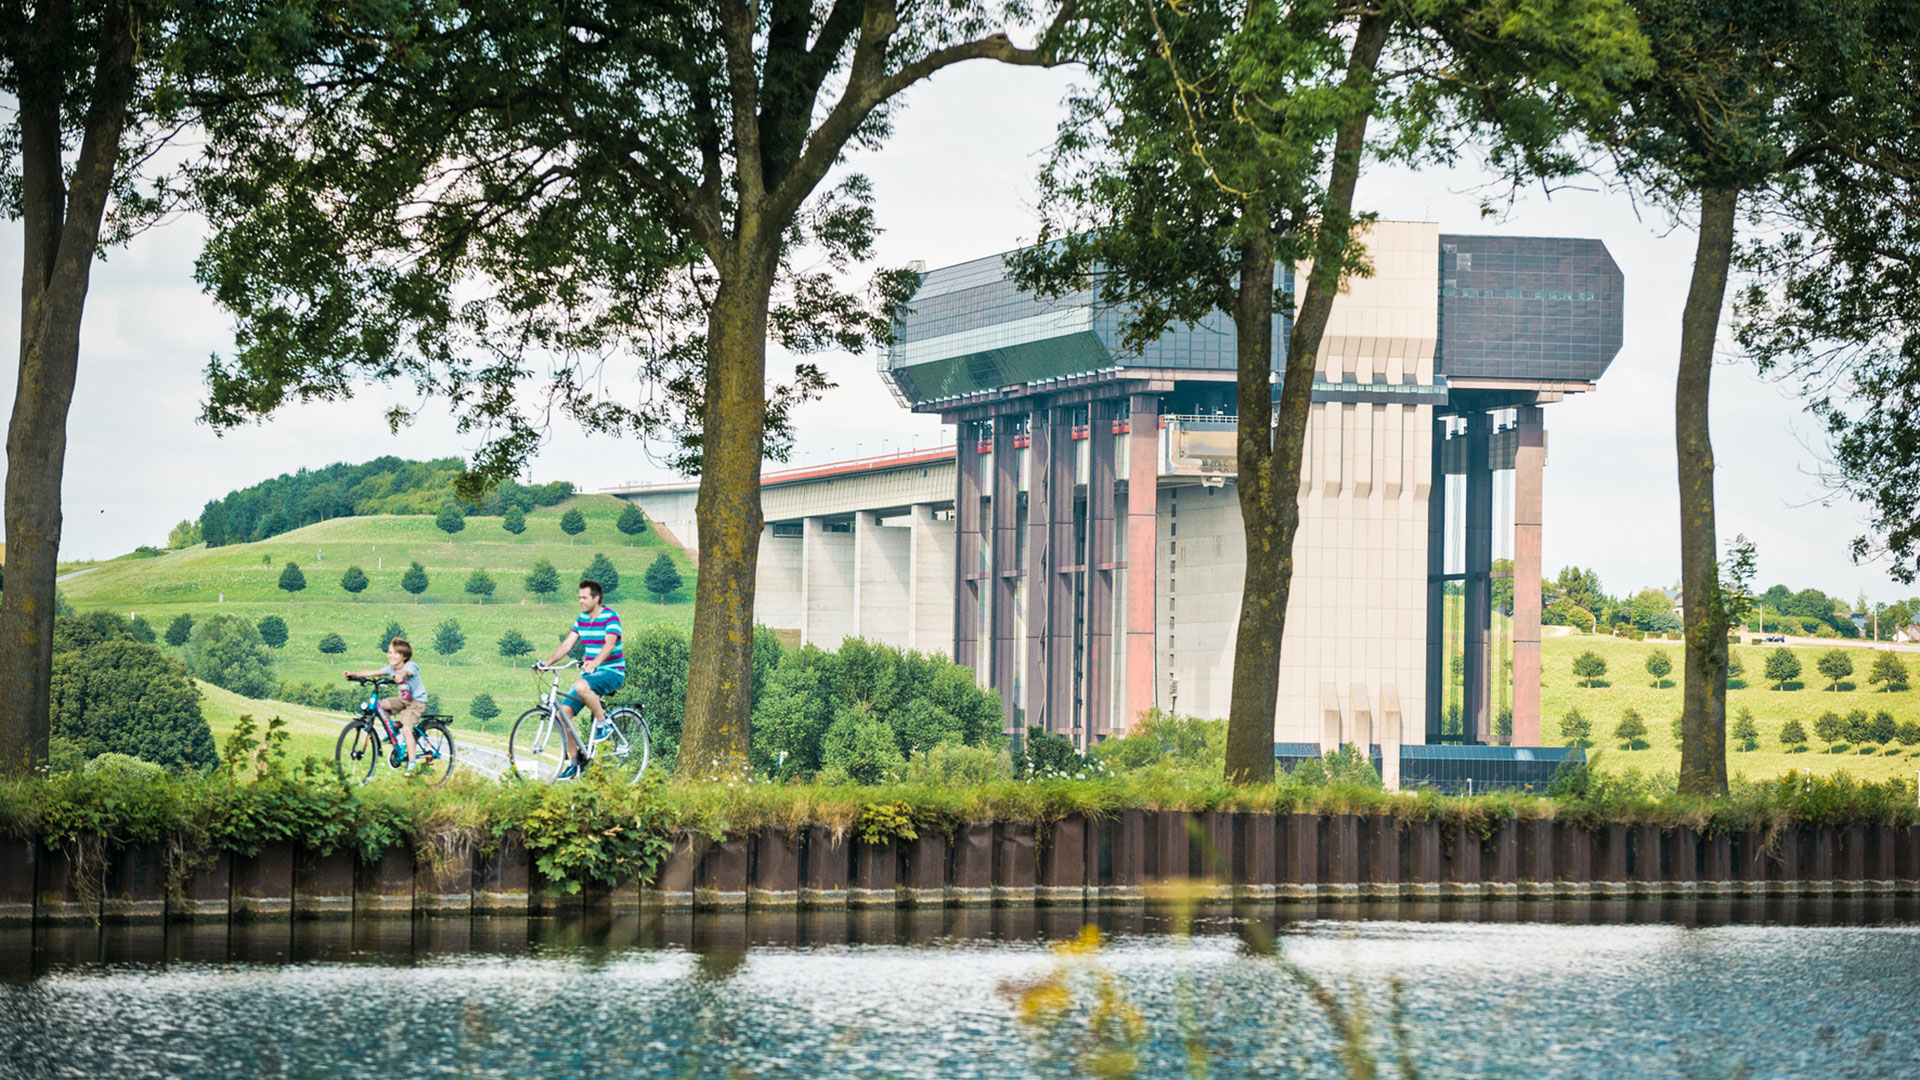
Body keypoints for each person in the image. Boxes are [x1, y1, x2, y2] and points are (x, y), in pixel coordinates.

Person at [535, 578, 625, 780]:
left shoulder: (610, 616)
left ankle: (604, 724)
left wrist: (595, 662)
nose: (580, 601)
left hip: (612, 671)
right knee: (563, 713)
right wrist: (547, 663)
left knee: (580, 685)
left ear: (596, 598)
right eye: (579, 597)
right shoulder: (582, 619)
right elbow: (567, 644)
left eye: (584, 598)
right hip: (590, 676)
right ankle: (575, 763)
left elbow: (610, 644)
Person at [345, 637, 428, 765]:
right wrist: (353, 674)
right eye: (389, 652)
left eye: (395, 653)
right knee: (380, 705)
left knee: (406, 730)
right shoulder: (391, 668)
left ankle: (412, 762)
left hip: (416, 702)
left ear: (404, 656)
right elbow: (373, 672)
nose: (391, 655)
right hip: (403, 700)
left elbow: (408, 672)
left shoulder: (411, 665)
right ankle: (392, 731)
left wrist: (400, 675)